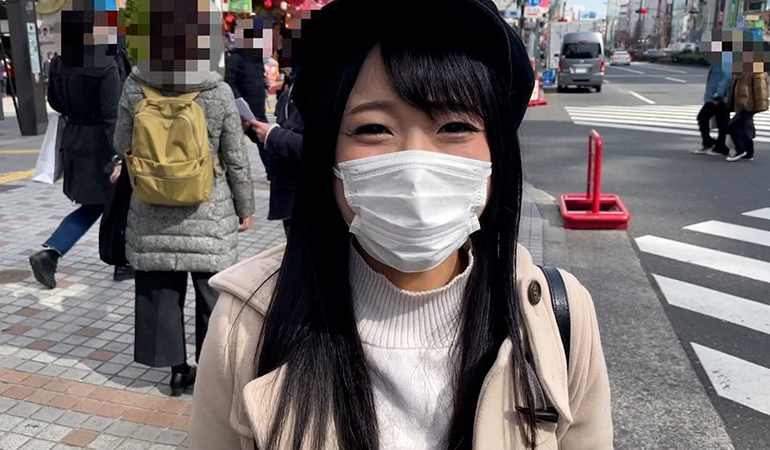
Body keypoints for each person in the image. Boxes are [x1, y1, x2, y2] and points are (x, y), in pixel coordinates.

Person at [190, 0, 612, 448]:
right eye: (373, 128)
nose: (415, 167)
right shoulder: (246, 323)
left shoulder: (557, 319)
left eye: (454, 125)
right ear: (327, 154)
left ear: (497, 153)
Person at [113, 0, 255, 397]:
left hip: (151, 206)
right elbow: (235, 157)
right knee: (213, 294)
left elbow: (122, 144)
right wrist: (245, 206)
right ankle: (210, 372)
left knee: (160, 289)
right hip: (207, 209)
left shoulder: (134, 85)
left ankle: (177, 371)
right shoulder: (217, 91)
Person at [29, 2, 127, 289]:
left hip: (74, 139)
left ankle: (53, 252)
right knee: (116, 200)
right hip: (102, 143)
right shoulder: (106, 64)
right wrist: (119, 156)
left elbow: (55, 101)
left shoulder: (60, 62)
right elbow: (112, 115)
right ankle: (120, 261)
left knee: (99, 202)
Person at [244, 66, 303, 238]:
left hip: (309, 198)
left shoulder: (327, 89)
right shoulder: (290, 87)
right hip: (288, 195)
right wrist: (254, 129)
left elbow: (321, 148)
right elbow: (285, 129)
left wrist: (272, 135)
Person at [225, 18, 274, 183]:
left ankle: (271, 172)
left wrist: (264, 82)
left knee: (265, 142)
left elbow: (255, 78)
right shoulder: (235, 58)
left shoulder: (256, 58)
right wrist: (239, 100)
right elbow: (229, 81)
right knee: (233, 146)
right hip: (242, 112)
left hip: (258, 110)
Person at [694, 60, 732, 156]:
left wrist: (719, 94)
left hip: (719, 97)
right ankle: (711, 143)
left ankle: (719, 147)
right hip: (713, 97)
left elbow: (727, 77)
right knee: (720, 122)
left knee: (717, 121)